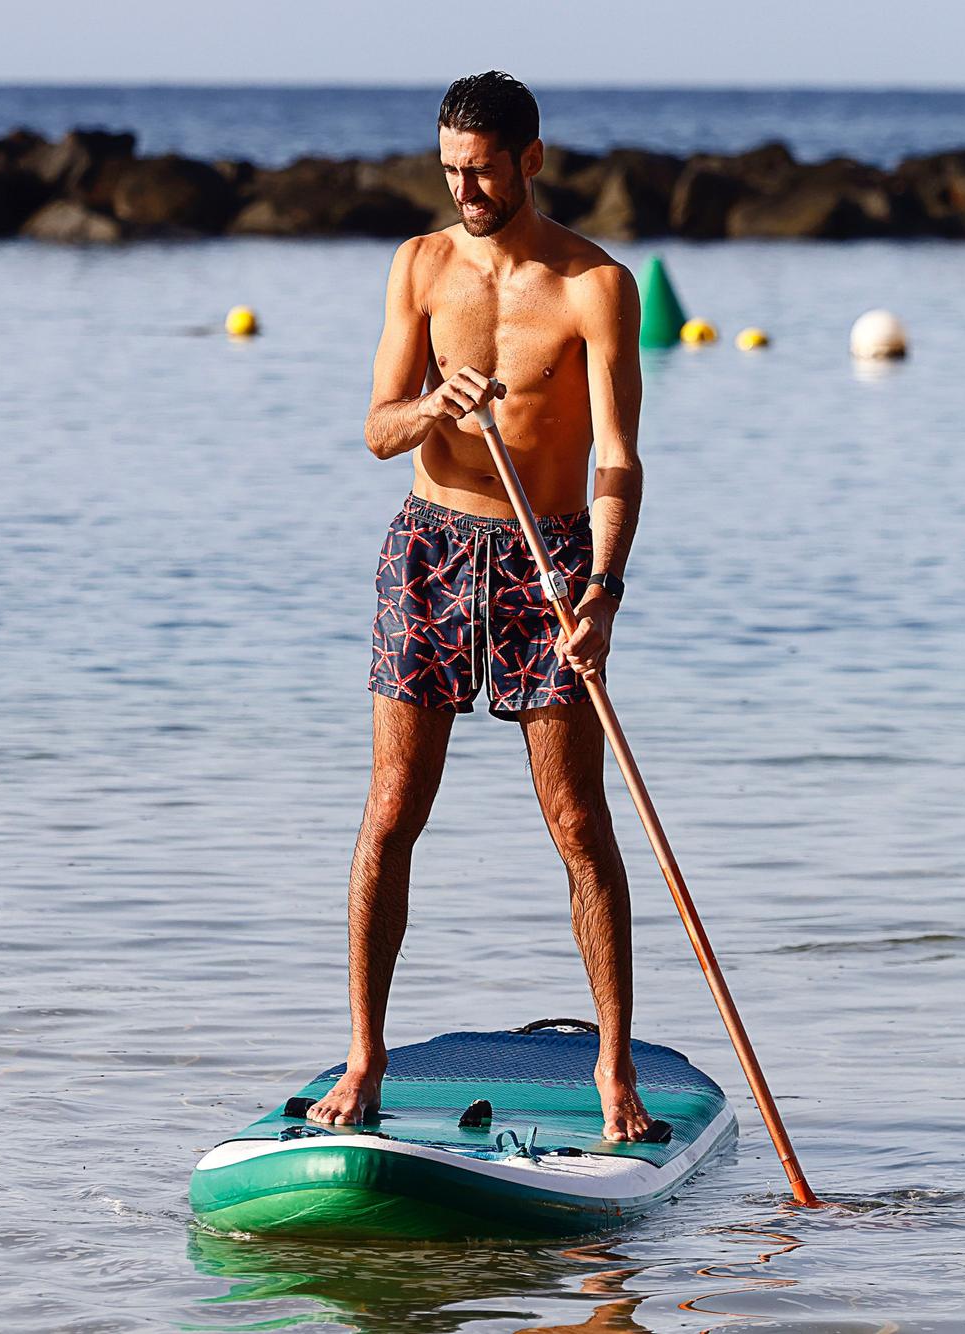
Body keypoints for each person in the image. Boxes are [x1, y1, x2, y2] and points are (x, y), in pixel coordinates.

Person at [308, 71, 651, 1141]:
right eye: (451, 170)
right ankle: (364, 1058)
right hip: (428, 548)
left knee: (573, 820)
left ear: (530, 160)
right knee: (392, 809)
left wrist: (601, 587)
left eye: (484, 171)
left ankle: (610, 1071)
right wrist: (428, 408)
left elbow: (617, 461)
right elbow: (372, 427)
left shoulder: (595, 284)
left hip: (547, 560)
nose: (466, 190)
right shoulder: (417, 266)